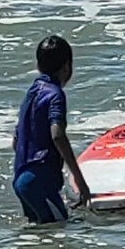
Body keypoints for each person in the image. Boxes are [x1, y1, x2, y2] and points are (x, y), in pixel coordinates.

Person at [12, 35, 92, 224]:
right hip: (38, 183)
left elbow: (16, 142)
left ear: (39, 66)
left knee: (39, 240)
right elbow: (57, 135)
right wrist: (79, 180)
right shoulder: (56, 95)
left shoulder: (31, 93)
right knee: (59, 235)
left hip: (21, 180)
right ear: (66, 66)